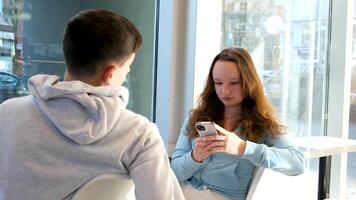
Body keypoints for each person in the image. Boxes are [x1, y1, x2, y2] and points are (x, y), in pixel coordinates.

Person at [0, 9, 184, 200]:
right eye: (127, 68)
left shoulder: (8, 113)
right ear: (109, 74)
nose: (127, 73)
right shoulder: (138, 135)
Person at [171, 47, 304, 200]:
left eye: (234, 83)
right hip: (181, 193)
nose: (225, 91)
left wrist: (243, 148)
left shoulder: (263, 123)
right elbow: (173, 173)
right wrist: (196, 156)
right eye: (218, 83)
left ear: (249, 83)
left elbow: (297, 163)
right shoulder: (196, 117)